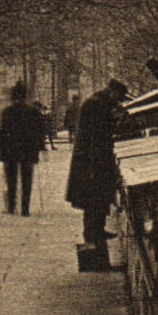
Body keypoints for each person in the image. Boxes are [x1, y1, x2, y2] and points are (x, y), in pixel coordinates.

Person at [66, 79, 128, 246]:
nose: (118, 102)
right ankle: (93, 235)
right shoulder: (97, 105)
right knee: (94, 198)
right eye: (119, 98)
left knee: (96, 199)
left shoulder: (98, 102)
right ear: (112, 92)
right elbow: (100, 133)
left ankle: (96, 231)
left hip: (92, 158)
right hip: (93, 160)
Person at [0, 82, 47, 215]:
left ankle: (12, 206)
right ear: (25, 96)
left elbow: (2, 132)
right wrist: (40, 148)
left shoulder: (7, 112)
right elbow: (40, 131)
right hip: (28, 149)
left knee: (11, 178)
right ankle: (25, 208)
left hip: (11, 149)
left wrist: (1, 150)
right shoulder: (34, 112)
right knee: (27, 178)